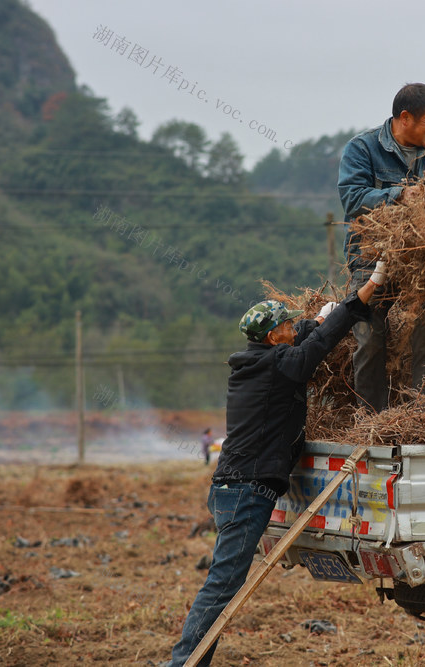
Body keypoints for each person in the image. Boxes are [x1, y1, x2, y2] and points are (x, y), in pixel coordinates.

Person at [167, 265, 384, 666]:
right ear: (272, 337)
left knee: (223, 584)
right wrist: (367, 290)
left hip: (230, 489)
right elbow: (316, 346)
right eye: (286, 325)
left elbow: (304, 336)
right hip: (248, 491)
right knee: (221, 587)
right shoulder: (281, 365)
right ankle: (181, 664)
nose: (292, 328)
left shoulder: (252, 362)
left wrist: (318, 317)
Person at [338, 82, 425, 412]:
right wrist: (401, 195)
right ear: (405, 118)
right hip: (370, 257)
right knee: (369, 338)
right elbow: (352, 199)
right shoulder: (362, 149)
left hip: (423, 259)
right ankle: (371, 419)